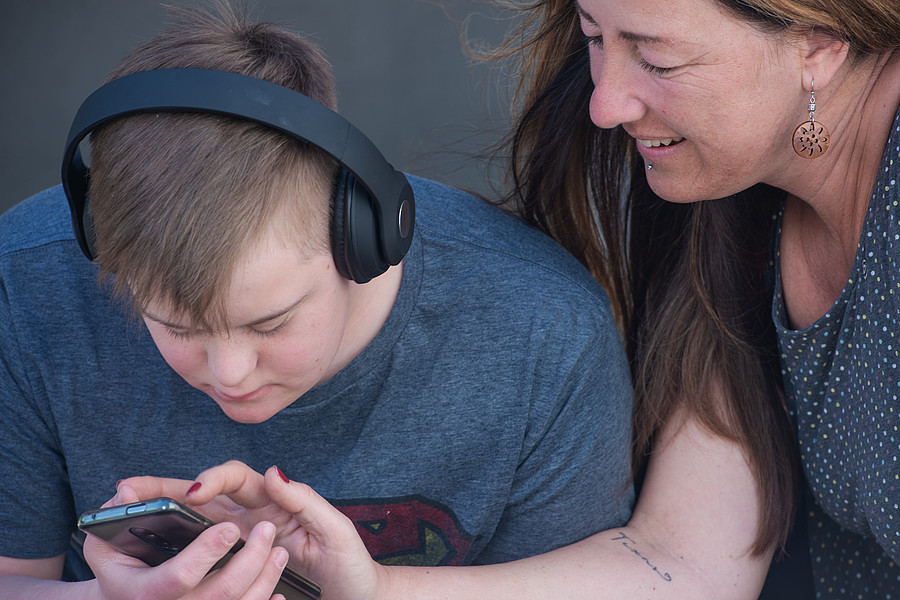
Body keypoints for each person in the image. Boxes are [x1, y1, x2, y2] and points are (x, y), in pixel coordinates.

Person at [115, 0, 900, 598]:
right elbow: (686, 562)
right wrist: (373, 586)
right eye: (596, 39)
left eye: (657, 61)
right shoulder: (722, 188)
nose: (604, 102)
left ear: (820, 45)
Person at [0, 3, 637, 598]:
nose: (229, 374)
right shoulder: (23, 286)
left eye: (270, 322)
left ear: (363, 238)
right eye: (172, 324)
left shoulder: (544, 333)